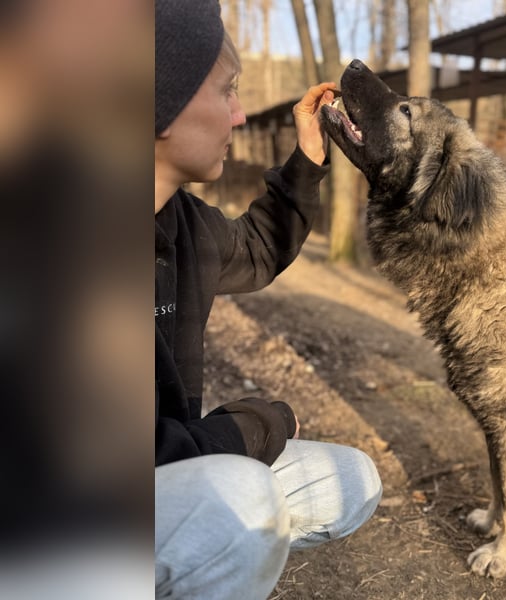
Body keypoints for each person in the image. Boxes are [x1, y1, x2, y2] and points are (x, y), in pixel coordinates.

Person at [154, 1, 382, 598]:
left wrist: (308, 157)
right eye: (226, 91)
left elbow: (257, 248)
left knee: (348, 482)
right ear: (160, 103)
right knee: (236, 501)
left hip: (166, 468)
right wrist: (259, 424)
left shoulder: (180, 224)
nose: (240, 114)